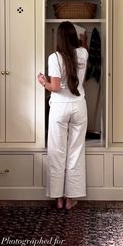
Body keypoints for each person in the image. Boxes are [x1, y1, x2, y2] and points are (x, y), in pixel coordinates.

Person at [37, 21, 88, 210]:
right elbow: (82, 49)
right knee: (75, 153)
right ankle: (70, 199)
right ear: (74, 36)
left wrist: (43, 81)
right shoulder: (83, 53)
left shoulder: (54, 57)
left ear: (58, 38)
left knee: (57, 152)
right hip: (78, 107)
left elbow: (56, 87)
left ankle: (58, 198)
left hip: (60, 108)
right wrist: (84, 40)